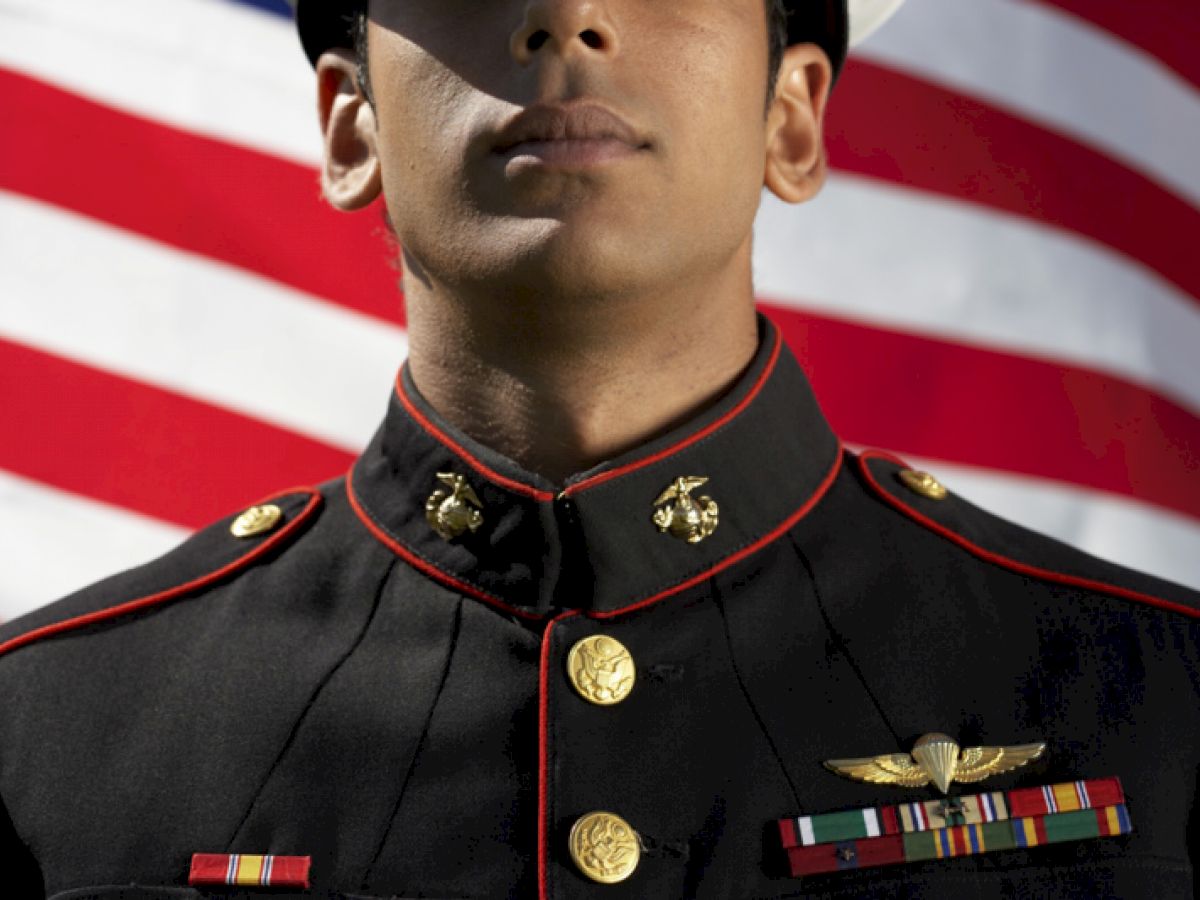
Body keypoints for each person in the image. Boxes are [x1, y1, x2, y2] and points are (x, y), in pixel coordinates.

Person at [1, 0, 1197, 897]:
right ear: (348, 126)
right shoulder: (38, 735)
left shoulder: (1164, 701)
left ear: (791, 119)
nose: (567, 13)